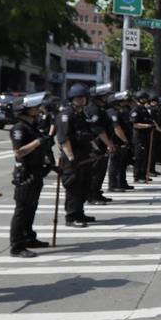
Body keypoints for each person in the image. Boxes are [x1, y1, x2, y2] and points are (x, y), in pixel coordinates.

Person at [8, 92, 53, 258]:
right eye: (34, 107)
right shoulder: (19, 128)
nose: (38, 109)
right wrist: (38, 142)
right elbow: (18, 152)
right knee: (22, 210)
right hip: (25, 174)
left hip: (36, 171)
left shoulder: (33, 126)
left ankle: (28, 238)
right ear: (24, 110)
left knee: (31, 208)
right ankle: (17, 246)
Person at [56, 83, 96, 228]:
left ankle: (80, 212)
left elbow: (89, 135)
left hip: (84, 156)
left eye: (83, 97)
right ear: (72, 98)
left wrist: (94, 150)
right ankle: (71, 216)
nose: (81, 100)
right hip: (72, 158)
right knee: (73, 187)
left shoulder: (82, 113)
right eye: (78, 98)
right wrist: (71, 157)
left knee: (84, 186)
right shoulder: (66, 115)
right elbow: (64, 138)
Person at [85, 84, 117, 206]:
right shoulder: (93, 109)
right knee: (96, 171)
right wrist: (108, 143)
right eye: (105, 95)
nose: (107, 97)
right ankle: (92, 196)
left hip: (103, 143)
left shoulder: (101, 108)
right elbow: (98, 129)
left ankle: (97, 193)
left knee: (101, 171)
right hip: (97, 144)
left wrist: (110, 141)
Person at [107, 91, 134, 192]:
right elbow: (117, 129)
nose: (125, 102)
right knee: (114, 164)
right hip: (116, 142)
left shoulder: (120, 112)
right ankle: (113, 185)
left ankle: (121, 182)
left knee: (122, 164)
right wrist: (126, 141)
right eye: (122, 101)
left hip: (121, 142)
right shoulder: (112, 113)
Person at [132, 91, 155, 183]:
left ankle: (143, 174)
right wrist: (147, 126)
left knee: (145, 156)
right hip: (139, 137)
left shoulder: (144, 109)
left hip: (146, 136)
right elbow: (135, 124)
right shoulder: (136, 110)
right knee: (139, 157)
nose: (146, 100)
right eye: (144, 98)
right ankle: (137, 176)